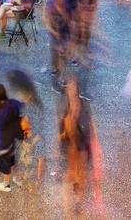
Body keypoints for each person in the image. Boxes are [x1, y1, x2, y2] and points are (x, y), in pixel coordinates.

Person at [57, 76, 99, 214]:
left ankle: (79, 202)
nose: (72, 88)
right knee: (73, 170)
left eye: (74, 85)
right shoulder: (64, 104)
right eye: (70, 85)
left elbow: (91, 120)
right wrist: (60, 135)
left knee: (82, 173)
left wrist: (95, 141)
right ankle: (75, 184)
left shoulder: (82, 102)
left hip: (83, 141)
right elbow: (61, 122)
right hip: (70, 142)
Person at [0, 84, 27, 192]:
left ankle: (6, 184)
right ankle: (12, 178)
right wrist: (26, 97)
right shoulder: (12, 103)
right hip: (12, 136)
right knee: (11, 158)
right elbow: (21, 105)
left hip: (2, 139)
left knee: (5, 162)